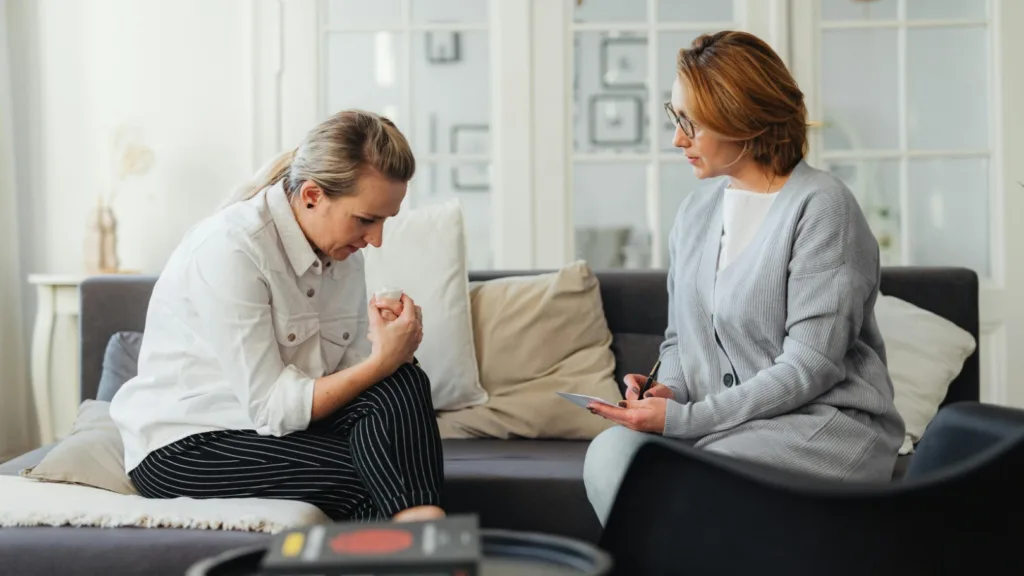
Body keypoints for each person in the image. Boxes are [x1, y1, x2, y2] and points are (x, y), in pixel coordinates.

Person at [583, 31, 906, 524]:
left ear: (743, 119)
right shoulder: (694, 212)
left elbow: (810, 367)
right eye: (675, 118)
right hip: (725, 428)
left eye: (691, 123)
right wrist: (669, 391)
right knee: (610, 454)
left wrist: (686, 419)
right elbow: (679, 340)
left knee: (700, 476)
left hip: (816, 428)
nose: (677, 139)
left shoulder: (823, 207)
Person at [109, 110, 446, 523]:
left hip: (277, 429)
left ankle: (424, 534)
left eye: (384, 221)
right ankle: (428, 540)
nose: (375, 240)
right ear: (311, 196)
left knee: (404, 381)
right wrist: (381, 362)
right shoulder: (232, 248)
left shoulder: (343, 254)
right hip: (187, 442)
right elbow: (271, 407)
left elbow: (353, 374)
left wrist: (395, 348)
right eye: (366, 220)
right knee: (369, 475)